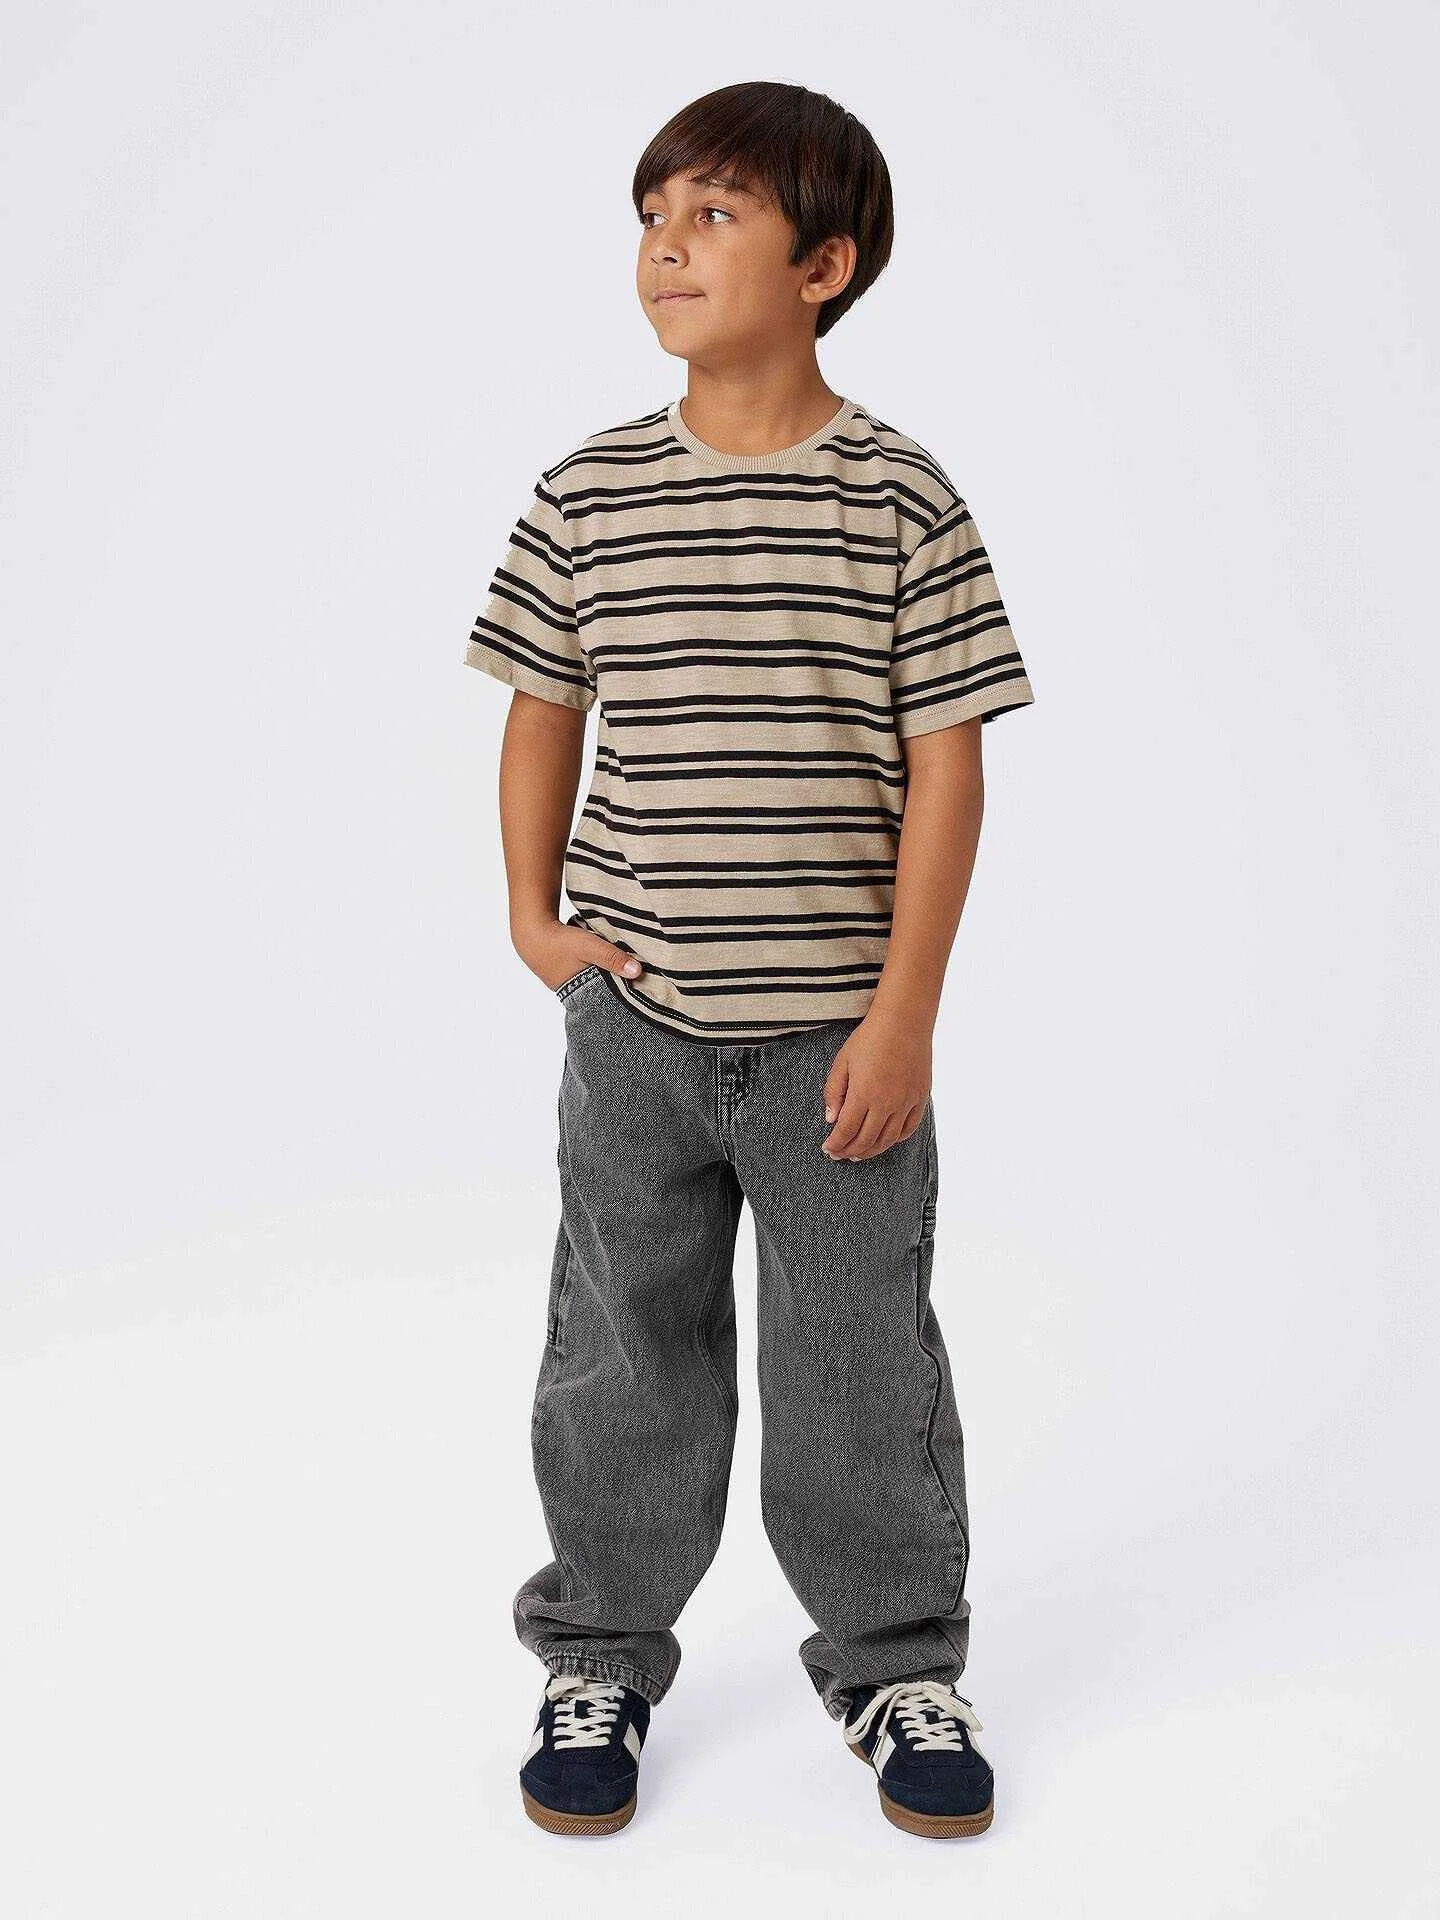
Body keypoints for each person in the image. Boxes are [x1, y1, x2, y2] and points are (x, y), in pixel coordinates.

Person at [461, 80, 1036, 1841]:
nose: (666, 245)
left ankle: (897, 1664)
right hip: (636, 1029)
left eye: (713, 214)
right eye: (652, 215)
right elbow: (542, 708)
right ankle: (597, 1654)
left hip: (835, 1047)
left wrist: (906, 1016)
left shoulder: (899, 498)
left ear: (824, 265)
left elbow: (949, 767)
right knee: (623, 1352)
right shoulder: (590, 490)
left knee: (858, 1363)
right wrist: (537, 922)